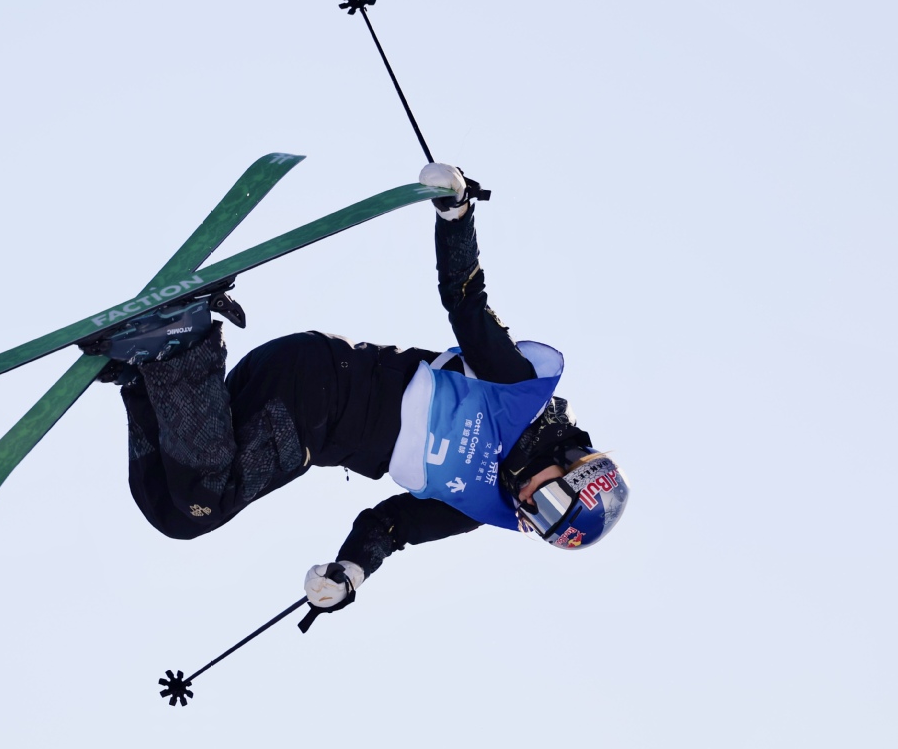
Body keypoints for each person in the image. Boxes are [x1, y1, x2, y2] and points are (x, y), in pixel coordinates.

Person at [105, 163, 630, 615]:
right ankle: (182, 344)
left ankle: (147, 374)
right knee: (206, 495)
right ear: (574, 464)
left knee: (178, 515)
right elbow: (465, 302)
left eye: (538, 519)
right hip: (320, 392)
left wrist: (351, 571)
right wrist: (457, 216)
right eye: (551, 498)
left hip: (301, 411)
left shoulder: (476, 506)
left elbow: (392, 525)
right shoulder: (517, 392)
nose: (529, 502)